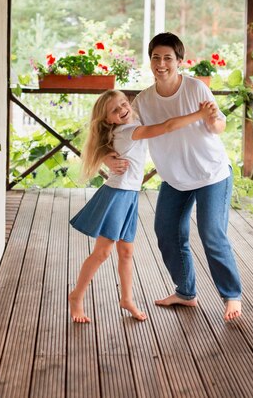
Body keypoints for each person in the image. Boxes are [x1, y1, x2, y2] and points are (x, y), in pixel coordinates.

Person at [104, 33, 242, 322]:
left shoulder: (195, 88)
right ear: (150, 60)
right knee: (166, 233)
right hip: (175, 178)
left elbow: (219, 126)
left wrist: (213, 119)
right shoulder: (142, 101)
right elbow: (120, 133)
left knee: (211, 234)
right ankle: (185, 292)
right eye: (156, 57)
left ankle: (231, 295)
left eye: (168, 58)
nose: (161, 64)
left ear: (180, 61)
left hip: (211, 174)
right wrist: (106, 157)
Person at [69, 89, 215, 324]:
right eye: (115, 110)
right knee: (102, 252)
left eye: (124, 103)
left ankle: (127, 299)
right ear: (108, 119)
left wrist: (106, 156)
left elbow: (109, 141)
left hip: (129, 196)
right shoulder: (128, 131)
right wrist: (199, 114)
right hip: (117, 195)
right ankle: (76, 296)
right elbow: (166, 127)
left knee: (126, 253)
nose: (123, 110)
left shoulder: (128, 122)